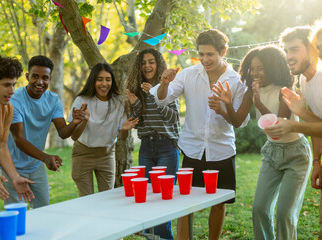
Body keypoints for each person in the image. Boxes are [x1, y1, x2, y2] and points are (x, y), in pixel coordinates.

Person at [150, 29, 249, 240]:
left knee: (219, 202)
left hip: (222, 150)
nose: (205, 59)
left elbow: (240, 121)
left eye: (210, 54)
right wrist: (165, 83)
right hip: (192, 150)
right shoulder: (187, 74)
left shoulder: (237, 80)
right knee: (185, 203)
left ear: (223, 51)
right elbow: (161, 99)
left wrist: (223, 109)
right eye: (201, 54)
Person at [213, 45, 312, 240]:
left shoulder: (286, 91)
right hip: (272, 153)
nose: (255, 73)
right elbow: (237, 121)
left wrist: (259, 104)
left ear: (273, 67)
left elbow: (278, 127)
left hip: (296, 154)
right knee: (259, 208)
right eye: (252, 68)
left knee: (285, 213)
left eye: (261, 67)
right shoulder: (251, 92)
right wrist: (225, 106)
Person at [264, 16, 322, 240]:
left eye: (295, 49)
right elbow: (319, 125)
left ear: (312, 49)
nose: (288, 56)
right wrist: (318, 161)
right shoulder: (305, 82)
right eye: (286, 50)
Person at [0, 55, 87, 209]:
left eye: (45, 78)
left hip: (35, 164)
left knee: (43, 208)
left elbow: (63, 132)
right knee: (17, 212)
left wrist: (74, 122)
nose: (40, 82)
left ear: (50, 79)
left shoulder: (53, 100)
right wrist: (46, 158)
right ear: (27, 76)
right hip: (11, 165)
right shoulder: (15, 100)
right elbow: (19, 139)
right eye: (35, 76)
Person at [125, 48, 180, 240]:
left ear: (158, 64)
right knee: (147, 198)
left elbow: (172, 118)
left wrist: (154, 96)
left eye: (151, 61)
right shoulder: (138, 89)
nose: (147, 65)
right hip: (146, 147)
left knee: (163, 200)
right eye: (143, 63)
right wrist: (136, 104)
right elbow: (139, 120)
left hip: (166, 146)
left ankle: (165, 237)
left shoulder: (168, 87)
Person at [69, 63, 138, 197]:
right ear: (93, 80)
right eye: (100, 79)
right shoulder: (82, 100)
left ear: (112, 81)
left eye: (108, 79)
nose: (104, 83)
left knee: (107, 199)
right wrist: (85, 121)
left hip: (106, 155)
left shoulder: (119, 102)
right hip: (83, 154)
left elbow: (123, 137)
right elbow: (74, 136)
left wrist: (124, 129)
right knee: (86, 200)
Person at [0, 54, 34, 219]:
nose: (12, 91)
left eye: (13, 84)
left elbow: (2, 146)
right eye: (6, 85)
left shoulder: (7, 109)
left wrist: (15, 177)